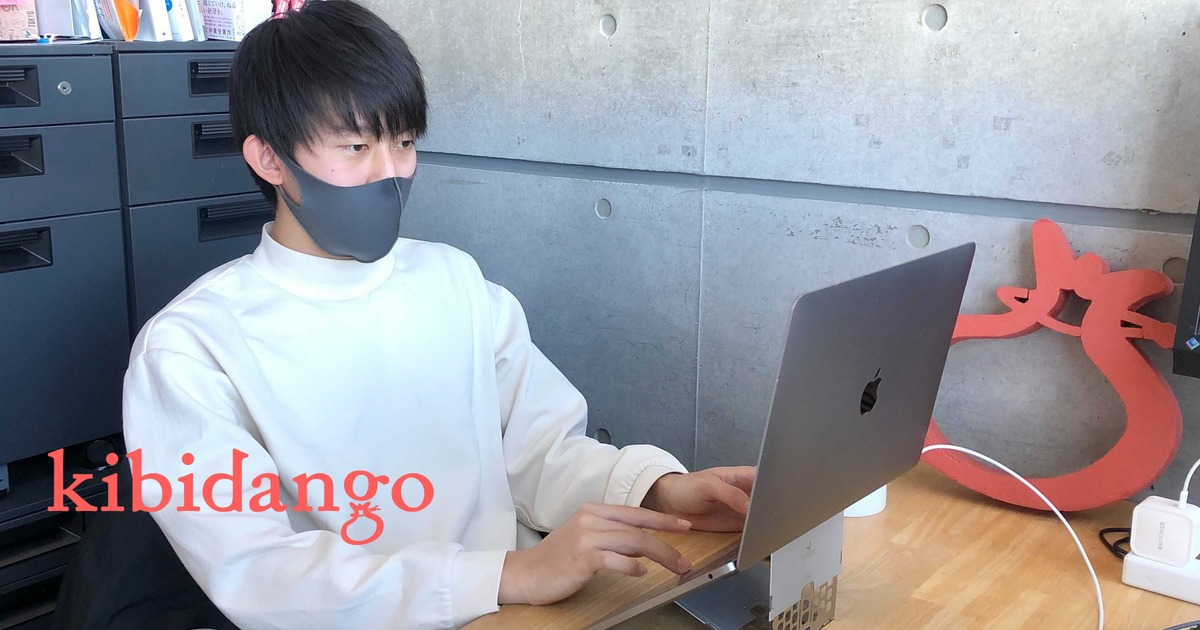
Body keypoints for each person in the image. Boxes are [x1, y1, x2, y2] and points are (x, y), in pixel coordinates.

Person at [120, 1, 756, 628]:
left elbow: (539, 452)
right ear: (269, 160)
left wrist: (655, 491)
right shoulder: (190, 348)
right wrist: (505, 575)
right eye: (355, 146)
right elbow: (261, 573)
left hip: (521, 615)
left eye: (403, 142)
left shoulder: (454, 280)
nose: (390, 173)